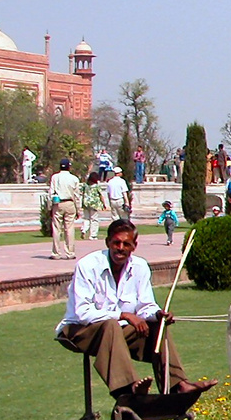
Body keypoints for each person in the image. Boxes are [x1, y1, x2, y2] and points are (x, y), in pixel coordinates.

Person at [55, 219, 216, 399]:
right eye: (116, 242)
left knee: (157, 327)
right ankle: (128, 390)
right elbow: (83, 313)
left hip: (117, 332)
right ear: (108, 242)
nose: (120, 248)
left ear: (134, 246)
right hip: (79, 330)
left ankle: (178, 385)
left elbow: (145, 306)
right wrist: (124, 315)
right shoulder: (88, 266)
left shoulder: (140, 267)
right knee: (110, 325)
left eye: (126, 244)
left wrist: (157, 314)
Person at [47, 157, 82, 260]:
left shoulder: (55, 177)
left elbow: (51, 193)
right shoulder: (74, 178)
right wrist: (78, 209)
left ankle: (56, 253)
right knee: (69, 228)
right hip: (70, 203)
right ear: (69, 167)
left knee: (57, 228)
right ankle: (70, 252)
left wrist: (49, 207)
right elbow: (77, 196)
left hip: (58, 203)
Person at [79, 170, 107, 240]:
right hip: (94, 204)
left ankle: (84, 229)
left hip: (86, 204)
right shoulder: (96, 186)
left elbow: (81, 193)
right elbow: (100, 195)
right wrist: (104, 204)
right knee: (94, 219)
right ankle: (93, 235)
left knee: (86, 218)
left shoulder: (85, 185)